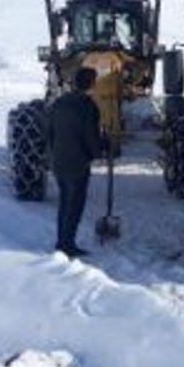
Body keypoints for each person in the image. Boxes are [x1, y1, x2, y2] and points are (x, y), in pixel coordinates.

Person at [50, 67, 103, 257]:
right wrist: (100, 152)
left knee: (65, 203)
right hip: (78, 164)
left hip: (59, 162)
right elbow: (91, 137)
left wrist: (52, 154)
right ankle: (67, 245)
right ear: (92, 83)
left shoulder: (59, 103)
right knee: (75, 206)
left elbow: (49, 132)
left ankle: (62, 242)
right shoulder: (88, 106)